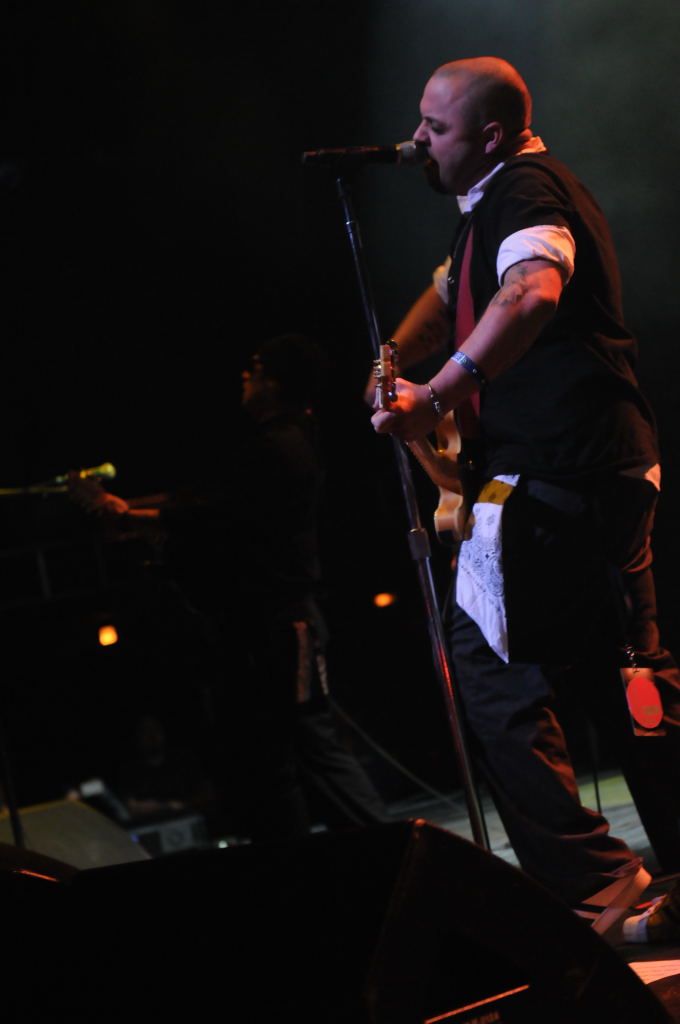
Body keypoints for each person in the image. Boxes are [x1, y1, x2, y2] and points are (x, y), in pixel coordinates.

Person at [371, 56, 680, 937]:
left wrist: (435, 395)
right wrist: (390, 361)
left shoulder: (527, 192)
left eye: (436, 127)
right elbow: (450, 290)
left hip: (564, 476)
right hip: (574, 473)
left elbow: (534, 288)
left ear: (492, 136)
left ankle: (600, 885)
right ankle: (621, 883)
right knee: (619, 679)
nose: (417, 139)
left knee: (518, 674)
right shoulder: (492, 205)